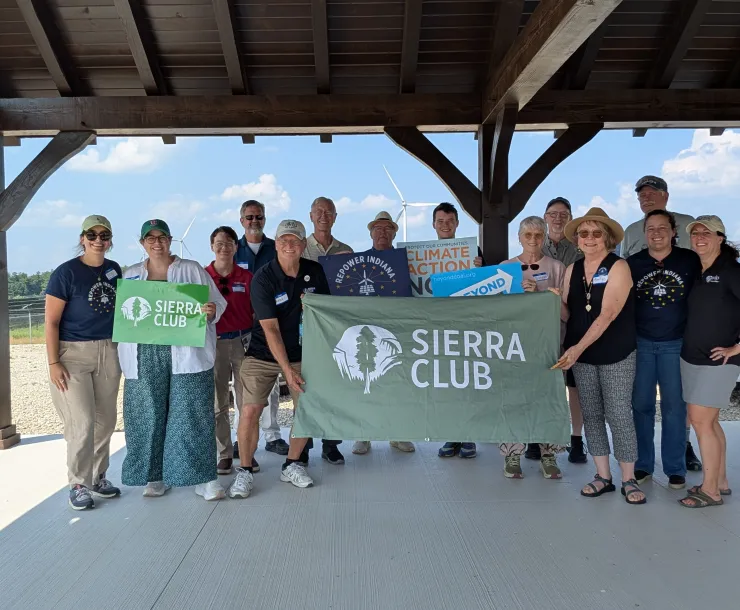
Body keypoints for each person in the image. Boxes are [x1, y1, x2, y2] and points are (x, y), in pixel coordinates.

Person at [119, 219, 227, 501]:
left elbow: (217, 304)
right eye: (150, 238)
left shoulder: (191, 269)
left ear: (170, 240)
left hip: (187, 352)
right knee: (148, 414)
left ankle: (204, 478)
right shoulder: (130, 275)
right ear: (142, 243)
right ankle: (155, 476)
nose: (157, 243)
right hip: (143, 353)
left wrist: (211, 311)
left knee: (192, 414)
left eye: (162, 237)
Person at [227, 220, 330, 499]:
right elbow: (270, 328)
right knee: (250, 410)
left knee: (305, 409)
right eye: (284, 240)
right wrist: (287, 370)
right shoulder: (263, 277)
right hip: (263, 352)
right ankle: (245, 470)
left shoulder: (315, 272)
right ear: (276, 243)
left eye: (295, 240)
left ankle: (292, 464)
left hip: (303, 353)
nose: (289, 245)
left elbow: (327, 314)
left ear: (302, 244)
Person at [554, 207, 646, 505]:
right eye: (584, 233)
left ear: (607, 238)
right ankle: (603, 476)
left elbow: (607, 315)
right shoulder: (572, 270)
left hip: (615, 351)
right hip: (581, 353)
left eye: (596, 233)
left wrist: (576, 349)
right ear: (577, 240)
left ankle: (629, 478)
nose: (589, 238)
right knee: (591, 414)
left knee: (619, 414)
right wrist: (551, 301)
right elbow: (569, 313)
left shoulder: (619, 267)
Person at [621, 176, 702, 471]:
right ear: (644, 233)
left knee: (674, 408)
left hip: (676, 344)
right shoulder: (632, 263)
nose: (656, 233)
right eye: (651, 229)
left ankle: (676, 467)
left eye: (662, 229)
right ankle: (643, 464)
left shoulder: (689, 261)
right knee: (640, 406)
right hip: (640, 343)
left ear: (673, 231)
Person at [45, 215, 123, 510]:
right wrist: (54, 362)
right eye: (92, 234)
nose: (98, 240)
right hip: (73, 354)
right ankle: (78, 482)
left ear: (110, 239)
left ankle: (97, 476)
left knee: (106, 421)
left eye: (104, 235)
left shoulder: (114, 270)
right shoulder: (66, 273)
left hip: (109, 350)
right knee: (82, 421)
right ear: (82, 238)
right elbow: (51, 321)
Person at [678, 215, 740, 508]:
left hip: (719, 360)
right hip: (692, 357)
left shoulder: (731, 271)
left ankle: (710, 490)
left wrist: (736, 347)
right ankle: (720, 482)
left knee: (701, 421)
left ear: (720, 238)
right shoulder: (697, 270)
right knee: (710, 422)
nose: (700, 237)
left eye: (707, 233)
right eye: (695, 233)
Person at [499, 216, 566, 479]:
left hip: (548, 345)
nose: (533, 240)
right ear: (518, 237)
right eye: (528, 235)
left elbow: (566, 314)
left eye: (539, 235)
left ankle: (548, 454)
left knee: (548, 400)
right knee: (513, 400)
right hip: (513, 346)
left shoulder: (558, 267)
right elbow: (494, 309)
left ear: (545, 237)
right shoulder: (504, 268)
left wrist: (544, 293)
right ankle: (512, 454)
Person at [352, 211, 415, 456]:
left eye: (387, 229)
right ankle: (363, 435)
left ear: (394, 233)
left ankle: (397, 433)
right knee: (366, 381)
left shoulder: (407, 258)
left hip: (398, 329)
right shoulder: (360, 261)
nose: (382, 232)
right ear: (370, 233)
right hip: (368, 330)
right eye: (377, 228)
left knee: (396, 383)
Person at [301, 196, 353, 465]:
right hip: (304, 329)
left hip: (335, 329)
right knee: (306, 386)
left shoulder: (346, 249)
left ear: (335, 217)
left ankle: (331, 444)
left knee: (334, 386)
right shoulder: (299, 247)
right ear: (310, 216)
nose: (323, 215)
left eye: (328, 212)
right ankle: (304, 444)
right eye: (318, 211)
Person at [234, 200, 287, 458]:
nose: (254, 221)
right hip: (240, 325)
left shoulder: (274, 248)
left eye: (259, 217)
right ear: (241, 220)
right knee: (241, 385)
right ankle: (240, 436)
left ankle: (273, 434)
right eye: (250, 217)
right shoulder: (233, 249)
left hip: (270, 324)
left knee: (272, 382)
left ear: (265, 219)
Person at [433, 202, 484, 459]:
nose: (445, 225)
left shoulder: (473, 251)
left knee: (467, 382)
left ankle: (469, 436)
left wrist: (479, 266)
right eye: (440, 221)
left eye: (450, 220)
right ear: (433, 224)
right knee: (446, 383)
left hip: (466, 325)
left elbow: (486, 284)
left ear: (457, 224)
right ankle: (452, 435)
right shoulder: (423, 255)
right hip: (438, 326)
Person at [539, 197, 587, 464]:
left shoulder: (580, 248)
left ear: (569, 218)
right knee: (544, 383)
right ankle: (540, 437)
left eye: (563, 214)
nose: (558, 219)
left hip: (576, 325)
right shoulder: (532, 247)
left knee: (574, 385)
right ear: (545, 217)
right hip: (542, 329)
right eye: (553, 214)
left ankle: (576, 439)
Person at [205, 226, 254, 476]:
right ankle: (224, 454)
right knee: (218, 402)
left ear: (237, 247)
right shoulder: (202, 277)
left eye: (229, 243)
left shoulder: (247, 277)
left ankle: (247, 453)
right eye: (219, 243)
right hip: (215, 343)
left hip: (243, 342)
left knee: (248, 401)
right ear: (212, 246)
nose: (224, 247)